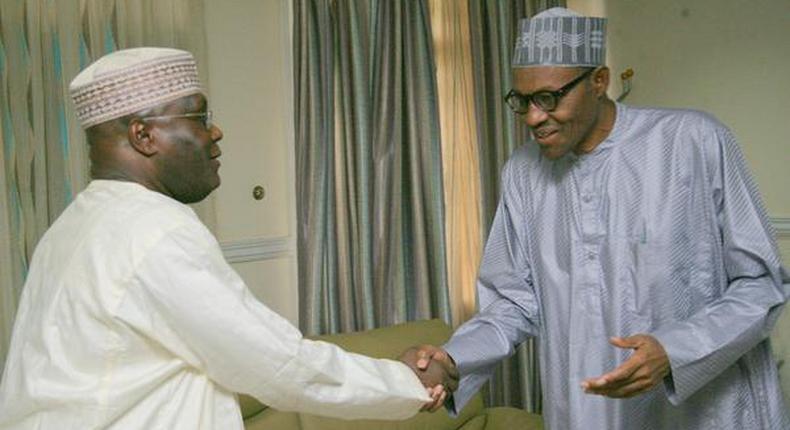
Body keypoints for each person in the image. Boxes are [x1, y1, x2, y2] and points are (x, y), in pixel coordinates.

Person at [0, 47, 451, 430]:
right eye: (199, 116)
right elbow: (278, 364)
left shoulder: (70, 227)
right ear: (144, 135)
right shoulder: (153, 229)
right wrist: (405, 380)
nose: (215, 132)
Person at [403, 7, 790, 430]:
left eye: (549, 98)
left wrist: (674, 350)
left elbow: (760, 283)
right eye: (523, 101)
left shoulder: (694, 141)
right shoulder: (523, 172)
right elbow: (512, 301)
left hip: (707, 410)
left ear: (599, 82)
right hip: (591, 408)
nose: (533, 117)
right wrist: (452, 358)